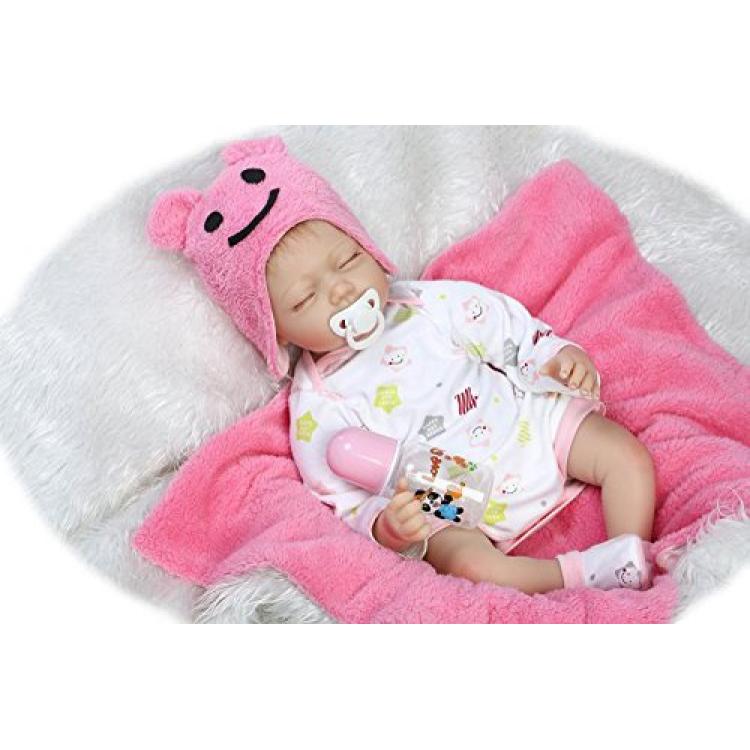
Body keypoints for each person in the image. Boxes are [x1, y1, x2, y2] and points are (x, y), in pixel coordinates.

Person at [147, 136, 656, 595]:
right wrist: (387, 525)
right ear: (275, 332)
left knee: (624, 456)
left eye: (348, 261)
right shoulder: (318, 406)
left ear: (367, 246)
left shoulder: (424, 304)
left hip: (527, 425)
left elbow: (502, 328)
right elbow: (342, 496)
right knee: (468, 564)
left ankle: (629, 555)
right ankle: (579, 575)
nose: (341, 290)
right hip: (452, 499)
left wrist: (553, 357)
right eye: (305, 299)